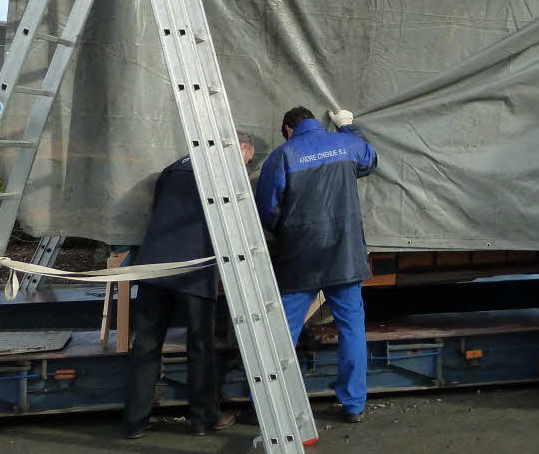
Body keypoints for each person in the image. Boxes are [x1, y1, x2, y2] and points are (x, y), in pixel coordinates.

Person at [123, 130, 256, 439]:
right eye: (247, 160)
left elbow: (159, 208)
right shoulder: (224, 171)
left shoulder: (175, 167)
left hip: (155, 264)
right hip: (196, 268)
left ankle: (134, 422)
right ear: (240, 147)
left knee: (146, 344)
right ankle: (203, 419)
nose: (245, 166)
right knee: (200, 346)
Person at [256, 106, 377, 423]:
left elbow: (267, 209)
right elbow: (370, 159)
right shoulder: (347, 144)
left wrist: (283, 234)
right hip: (344, 254)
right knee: (351, 328)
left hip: (300, 256)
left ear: (288, 130)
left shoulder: (283, 156)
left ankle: (275, 405)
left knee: (283, 331)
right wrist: (348, 126)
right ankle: (353, 405)